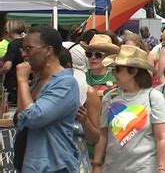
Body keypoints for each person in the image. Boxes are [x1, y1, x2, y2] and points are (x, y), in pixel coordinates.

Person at [93, 45, 165, 172]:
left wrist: (162, 168)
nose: (113, 73)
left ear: (133, 71)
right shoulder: (110, 97)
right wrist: (97, 164)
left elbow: (161, 138)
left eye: (117, 69)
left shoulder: (153, 97)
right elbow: (103, 135)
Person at [15, 25, 80, 172]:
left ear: (48, 50)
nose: (24, 54)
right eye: (22, 49)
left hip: (54, 166)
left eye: (29, 48)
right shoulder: (37, 82)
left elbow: (34, 118)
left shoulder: (65, 83)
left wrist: (22, 81)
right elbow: (20, 117)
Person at [59, 47, 101, 172]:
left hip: (76, 163)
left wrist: (85, 121)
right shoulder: (41, 88)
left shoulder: (87, 93)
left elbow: (95, 137)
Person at [0, 19, 26, 104]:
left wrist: (1, 71)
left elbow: (7, 66)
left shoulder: (12, 44)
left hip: (13, 81)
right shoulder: (26, 42)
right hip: (25, 80)